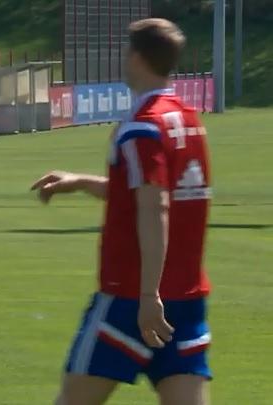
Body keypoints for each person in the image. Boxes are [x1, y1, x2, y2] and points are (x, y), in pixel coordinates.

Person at [31, 18, 212, 405]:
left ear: (136, 57)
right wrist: (81, 182)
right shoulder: (188, 120)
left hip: (131, 298)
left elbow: (155, 206)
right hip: (185, 299)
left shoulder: (141, 127)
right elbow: (150, 194)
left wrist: (148, 294)